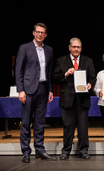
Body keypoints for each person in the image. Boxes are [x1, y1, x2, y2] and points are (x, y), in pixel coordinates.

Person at [15, 23, 55, 163]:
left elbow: (48, 72)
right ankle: (26, 152)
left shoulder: (49, 50)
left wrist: (50, 89)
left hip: (43, 89)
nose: (40, 34)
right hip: (28, 90)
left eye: (42, 32)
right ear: (33, 33)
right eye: (37, 32)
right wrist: (20, 90)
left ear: (45, 35)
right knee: (26, 122)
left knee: (40, 122)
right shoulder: (24, 48)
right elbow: (18, 71)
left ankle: (40, 150)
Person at [53, 37, 96, 160]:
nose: (76, 49)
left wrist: (90, 84)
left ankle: (83, 150)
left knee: (83, 127)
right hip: (67, 99)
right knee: (68, 126)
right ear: (69, 47)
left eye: (78, 47)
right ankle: (66, 151)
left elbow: (92, 77)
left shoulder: (88, 61)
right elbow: (54, 77)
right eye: (74, 47)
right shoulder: (61, 61)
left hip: (83, 98)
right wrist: (65, 74)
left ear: (81, 48)